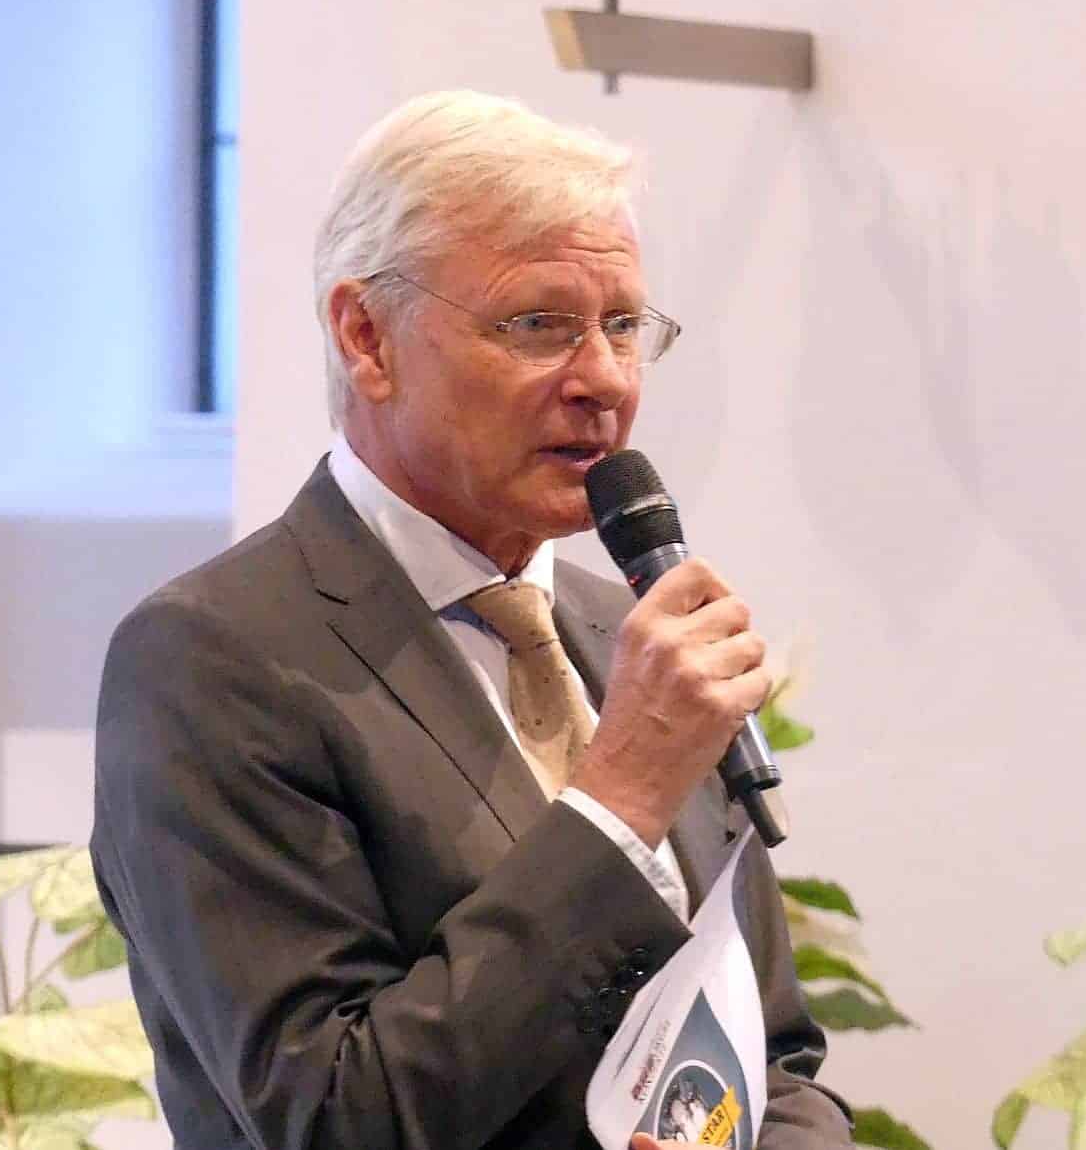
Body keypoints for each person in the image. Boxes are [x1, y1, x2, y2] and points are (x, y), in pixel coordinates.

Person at [91, 90, 852, 1150]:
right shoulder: (212, 659)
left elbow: (774, 1058)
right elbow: (333, 1116)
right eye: (538, 325)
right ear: (367, 337)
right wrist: (620, 799)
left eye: (622, 326)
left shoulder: (626, 635)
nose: (603, 380)